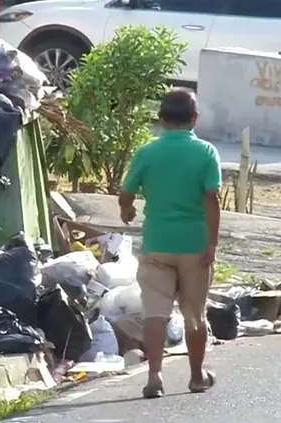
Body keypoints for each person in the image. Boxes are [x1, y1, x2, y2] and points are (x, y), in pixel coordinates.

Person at [117, 86, 221, 398]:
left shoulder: (148, 152)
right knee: (194, 314)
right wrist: (212, 244)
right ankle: (196, 376)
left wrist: (127, 208)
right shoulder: (206, 152)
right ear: (195, 118)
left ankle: (154, 376)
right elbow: (212, 199)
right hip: (195, 245)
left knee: (155, 313)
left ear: (161, 120)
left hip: (157, 244)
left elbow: (127, 191)